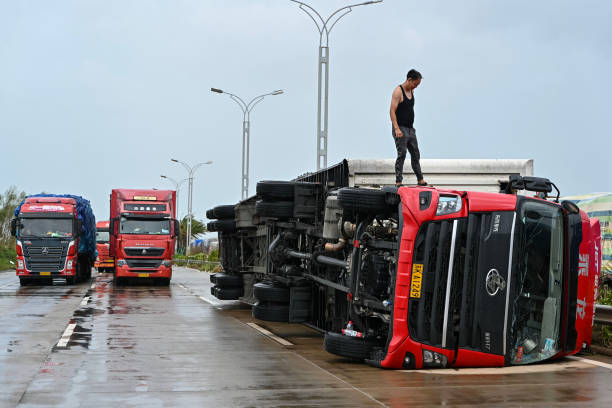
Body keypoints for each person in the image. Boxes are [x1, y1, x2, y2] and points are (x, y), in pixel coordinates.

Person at [390, 69, 428, 187]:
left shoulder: (411, 91)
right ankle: (398, 181)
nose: (416, 87)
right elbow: (392, 111)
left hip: (410, 128)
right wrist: (396, 128)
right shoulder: (398, 91)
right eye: (415, 84)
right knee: (402, 154)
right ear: (409, 80)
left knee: (416, 153)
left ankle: (420, 179)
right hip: (400, 128)